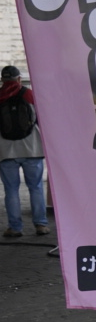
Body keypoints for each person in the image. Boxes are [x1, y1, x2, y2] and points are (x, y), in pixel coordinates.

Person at [0, 66, 48, 239]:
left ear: (3, 80)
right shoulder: (29, 94)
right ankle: (41, 224)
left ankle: (15, 228)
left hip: (5, 152)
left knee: (11, 190)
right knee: (35, 187)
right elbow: (42, 119)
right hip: (32, 149)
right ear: (19, 79)